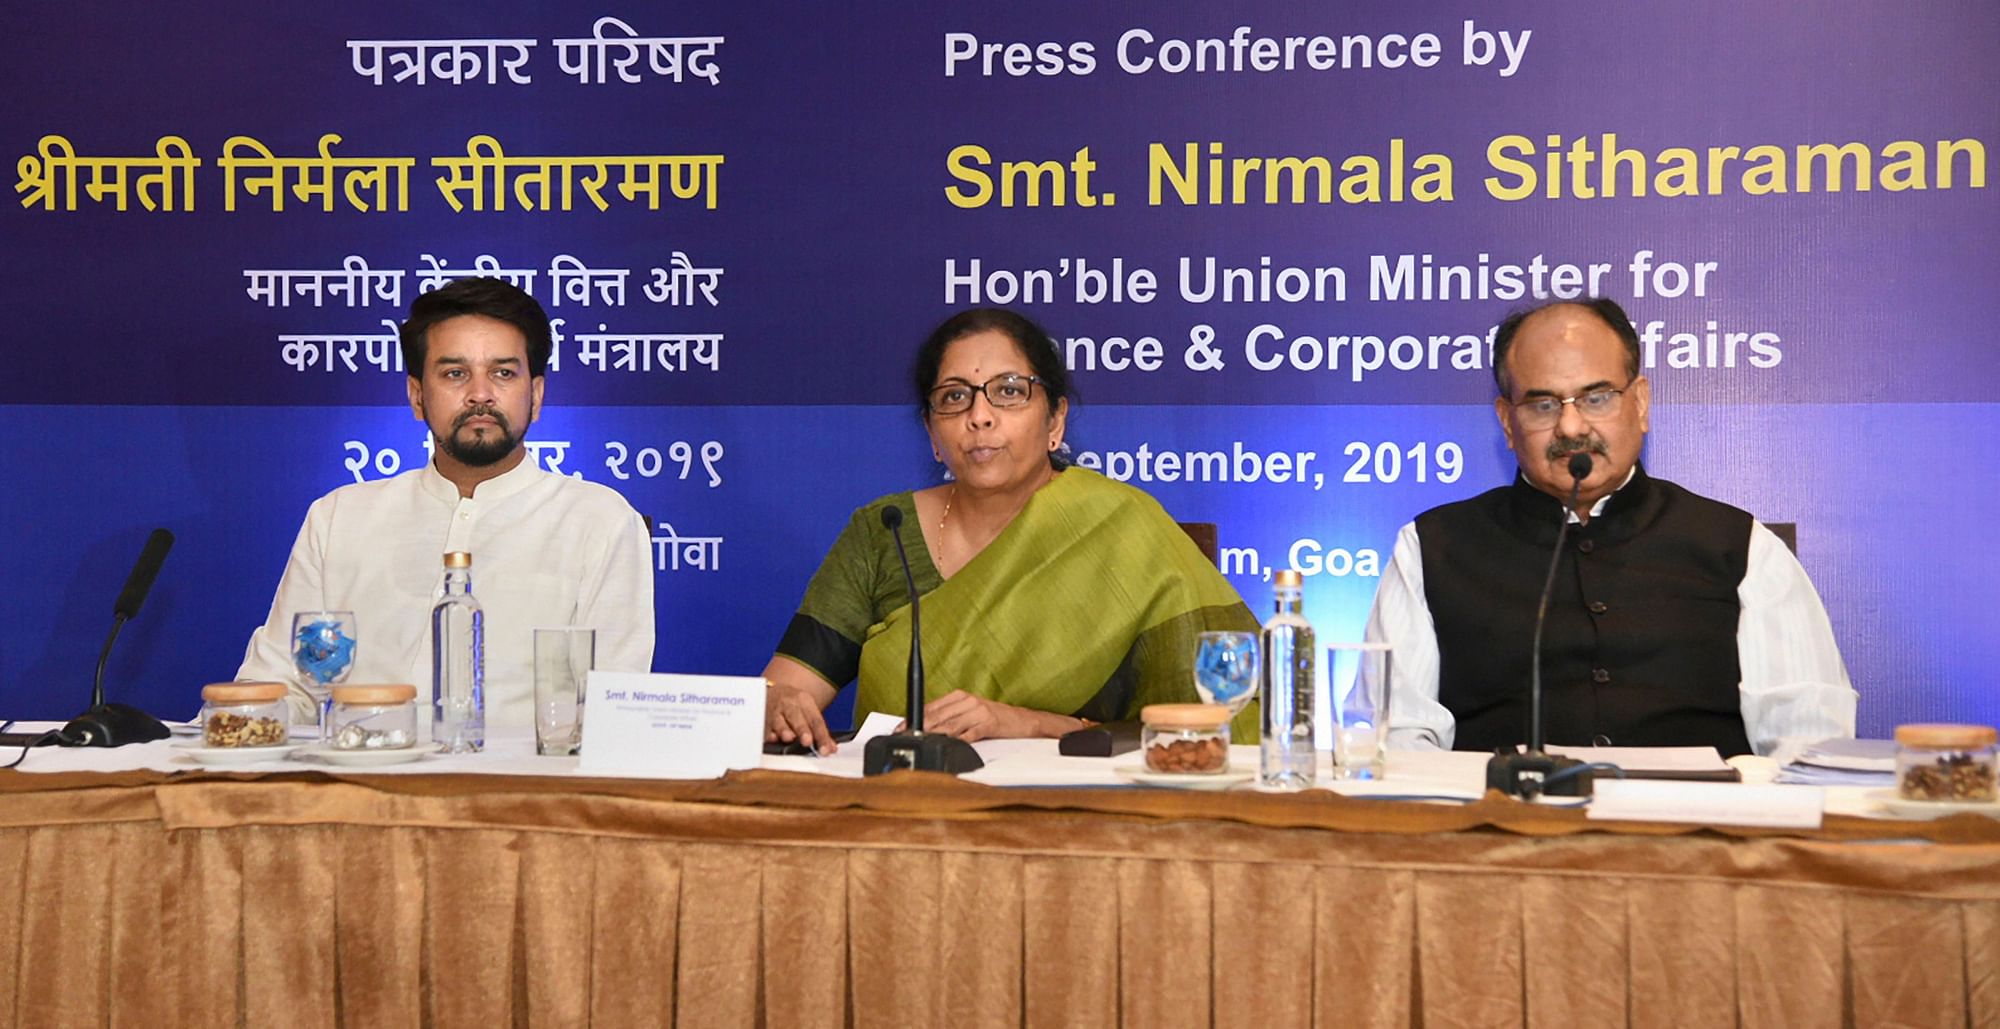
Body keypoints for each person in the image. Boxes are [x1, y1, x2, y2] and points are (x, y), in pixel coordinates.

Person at [1366, 298, 1855, 759]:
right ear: (1507, 423)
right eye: (1543, 405)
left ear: (1640, 403)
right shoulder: (1432, 549)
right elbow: (1394, 742)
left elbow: (1810, 745)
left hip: (1695, 838)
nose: (1572, 427)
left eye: (1596, 398)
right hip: (1506, 834)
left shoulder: (1741, 548)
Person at [761, 308, 1257, 753]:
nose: (980, 416)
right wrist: (776, 705)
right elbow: (783, 690)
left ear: (1055, 419)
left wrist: (1022, 723)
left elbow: (1215, 726)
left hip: (1083, 819)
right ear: (933, 434)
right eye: (954, 397)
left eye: (1009, 391)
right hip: (905, 812)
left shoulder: (1124, 528)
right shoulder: (883, 532)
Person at [238, 278, 655, 734]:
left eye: (503, 373)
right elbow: (281, 685)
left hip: (523, 795)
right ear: (417, 395)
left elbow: (613, 708)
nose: (480, 394)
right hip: (359, 789)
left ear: (536, 396)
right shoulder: (339, 518)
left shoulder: (600, 522)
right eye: (455, 374)